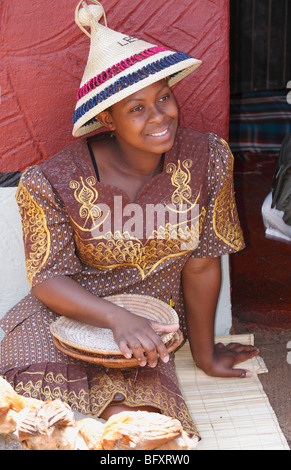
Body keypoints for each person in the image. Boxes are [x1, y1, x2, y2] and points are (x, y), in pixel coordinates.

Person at [0, 0, 259, 440]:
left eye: (163, 97)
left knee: (140, 431)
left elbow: (201, 263)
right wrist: (116, 318)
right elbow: (47, 279)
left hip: (146, 335)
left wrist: (203, 354)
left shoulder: (208, 158)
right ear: (107, 118)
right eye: (136, 108)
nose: (160, 116)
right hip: (63, 320)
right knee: (37, 413)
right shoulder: (50, 181)